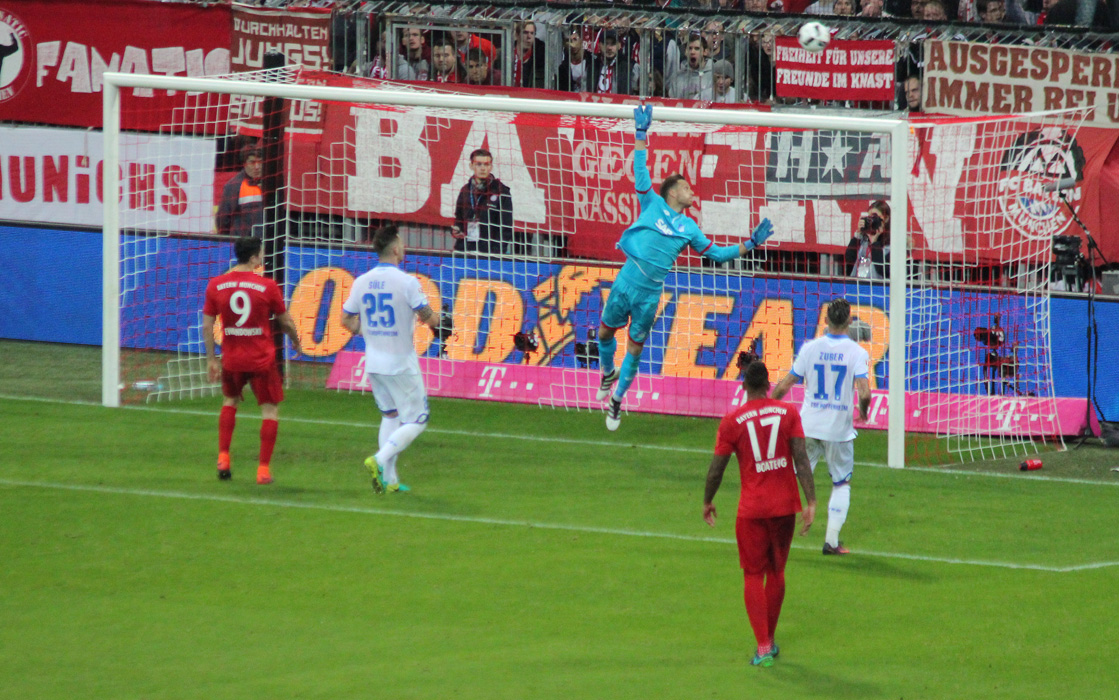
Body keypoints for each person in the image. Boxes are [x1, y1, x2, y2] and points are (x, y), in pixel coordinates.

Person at [596, 106, 776, 431]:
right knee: (604, 333)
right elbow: (639, 169)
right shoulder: (652, 202)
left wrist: (750, 243)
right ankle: (607, 374)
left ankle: (617, 401)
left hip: (649, 296)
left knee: (635, 350)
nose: (692, 191)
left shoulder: (689, 228)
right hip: (625, 282)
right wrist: (640, 134)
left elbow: (717, 255)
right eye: (686, 187)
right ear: (672, 191)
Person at [703, 361, 817, 668]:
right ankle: (770, 638)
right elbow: (801, 459)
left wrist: (708, 500)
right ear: (769, 385)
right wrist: (811, 501)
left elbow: (717, 468)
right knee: (776, 572)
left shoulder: (732, 421)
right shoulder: (788, 413)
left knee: (753, 574)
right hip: (785, 507)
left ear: (743, 385)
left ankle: (764, 646)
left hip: (752, 510)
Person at [341, 225, 440, 494]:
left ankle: (390, 480)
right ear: (395, 248)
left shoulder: (362, 281)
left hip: (374, 362)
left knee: (390, 415)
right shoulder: (407, 282)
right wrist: (441, 321)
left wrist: (368, 331)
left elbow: (346, 319)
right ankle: (379, 459)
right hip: (400, 363)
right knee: (418, 420)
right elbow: (429, 317)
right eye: (402, 243)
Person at [771, 298, 871, 555]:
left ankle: (773, 532)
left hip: (807, 427)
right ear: (850, 321)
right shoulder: (857, 353)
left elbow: (785, 384)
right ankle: (831, 542)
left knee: (793, 478)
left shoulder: (809, 348)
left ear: (825, 320)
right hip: (838, 430)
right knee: (841, 483)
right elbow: (864, 392)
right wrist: (863, 412)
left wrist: (767, 408)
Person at [202, 236, 302, 485]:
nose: (263, 257)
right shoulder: (267, 286)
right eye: (261, 253)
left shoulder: (216, 284)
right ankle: (263, 470)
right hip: (261, 360)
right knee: (269, 410)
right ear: (254, 257)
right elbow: (286, 322)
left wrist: (211, 359)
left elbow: (207, 325)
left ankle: (223, 457)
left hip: (232, 359)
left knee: (230, 401)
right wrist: (295, 341)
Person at [452, 148, 513, 255]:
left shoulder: (501, 191)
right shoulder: (465, 190)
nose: (483, 168)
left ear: (491, 167)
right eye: (479, 164)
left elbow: (505, 227)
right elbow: (459, 219)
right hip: (465, 250)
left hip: (489, 252)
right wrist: (456, 231)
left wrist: (496, 253)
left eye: (486, 164)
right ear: (471, 166)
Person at [216, 146, 264, 237]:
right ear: (244, 163)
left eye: (260, 162)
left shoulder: (272, 183)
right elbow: (223, 219)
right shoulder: (234, 186)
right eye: (252, 162)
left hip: (267, 241)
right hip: (242, 242)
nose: (257, 167)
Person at [844, 200, 891, 279]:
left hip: (877, 285)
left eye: (874, 216)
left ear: (886, 219)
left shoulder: (891, 244)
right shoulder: (864, 239)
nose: (871, 220)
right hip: (857, 284)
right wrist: (858, 234)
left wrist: (874, 242)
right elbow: (849, 259)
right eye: (869, 217)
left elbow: (883, 270)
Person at [668, 35, 713, 100]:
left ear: (705, 52)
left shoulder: (713, 76)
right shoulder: (677, 78)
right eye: (690, 48)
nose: (692, 52)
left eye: (697, 49)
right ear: (685, 52)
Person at [592, 30, 634, 95]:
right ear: (599, 45)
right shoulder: (592, 64)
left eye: (613, 44)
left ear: (619, 45)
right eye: (605, 43)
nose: (609, 48)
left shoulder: (629, 66)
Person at [556, 26, 592, 93]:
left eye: (575, 39)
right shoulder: (563, 67)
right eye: (568, 41)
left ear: (581, 40)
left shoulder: (592, 61)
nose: (572, 44)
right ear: (564, 44)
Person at [514, 20, 548, 88]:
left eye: (532, 33)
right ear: (517, 35)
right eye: (525, 33)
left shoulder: (541, 59)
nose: (529, 37)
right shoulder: (505, 54)